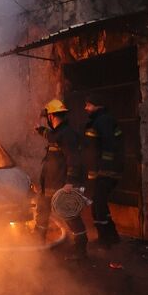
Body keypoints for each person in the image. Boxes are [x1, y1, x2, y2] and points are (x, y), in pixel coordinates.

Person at [35, 99, 88, 259]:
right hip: (49, 185)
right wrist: (40, 129)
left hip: (61, 184)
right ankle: (38, 246)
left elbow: (73, 159)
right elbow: (50, 136)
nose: (47, 120)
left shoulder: (67, 135)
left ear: (51, 116)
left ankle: (80, 250)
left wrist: (70, 181)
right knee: (42, 213)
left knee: (70, 215)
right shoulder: (58, 133)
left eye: (47, 117)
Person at [83, 93, 124, 246]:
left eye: (88, 104)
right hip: (103, 172)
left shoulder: (103, 121)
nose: (85, 108)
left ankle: (106, 240)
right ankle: (111, 237)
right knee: (99, 205)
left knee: (98, 206)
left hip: (106, 172)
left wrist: (102, 169)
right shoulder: (99, 121)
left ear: (97, 105)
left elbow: (110, 147)